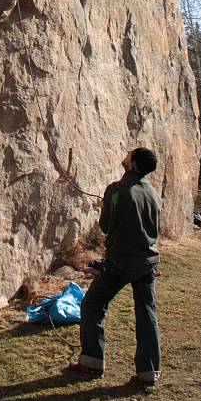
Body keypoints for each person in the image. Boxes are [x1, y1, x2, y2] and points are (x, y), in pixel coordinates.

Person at [68, 147, 162, 386]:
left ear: (133, 164)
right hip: (147, 262)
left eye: (130, 154)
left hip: (121, 262)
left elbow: (107, 226)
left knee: (92, 305)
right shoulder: (152, 192)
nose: (126, 154)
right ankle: (149, 372)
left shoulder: (116, 189)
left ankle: (91, 363)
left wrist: (106, 206)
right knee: (147, 314)